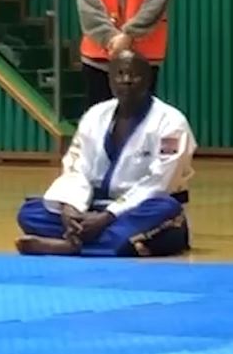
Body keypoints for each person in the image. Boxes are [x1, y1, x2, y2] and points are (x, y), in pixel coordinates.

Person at [15, 49, 195, 258]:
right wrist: (70, 208)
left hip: (137, 209)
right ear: (109, 79)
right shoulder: (96, 115)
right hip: (94, 206)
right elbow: (76, 167)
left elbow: (160, 183)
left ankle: (71, 245)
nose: (126, 80)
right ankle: (100, 241)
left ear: (148, 80)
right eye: (119, 74)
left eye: (134, 75)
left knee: (165, 208)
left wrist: (108, 216)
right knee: (30, 212)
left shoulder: (171, 122)